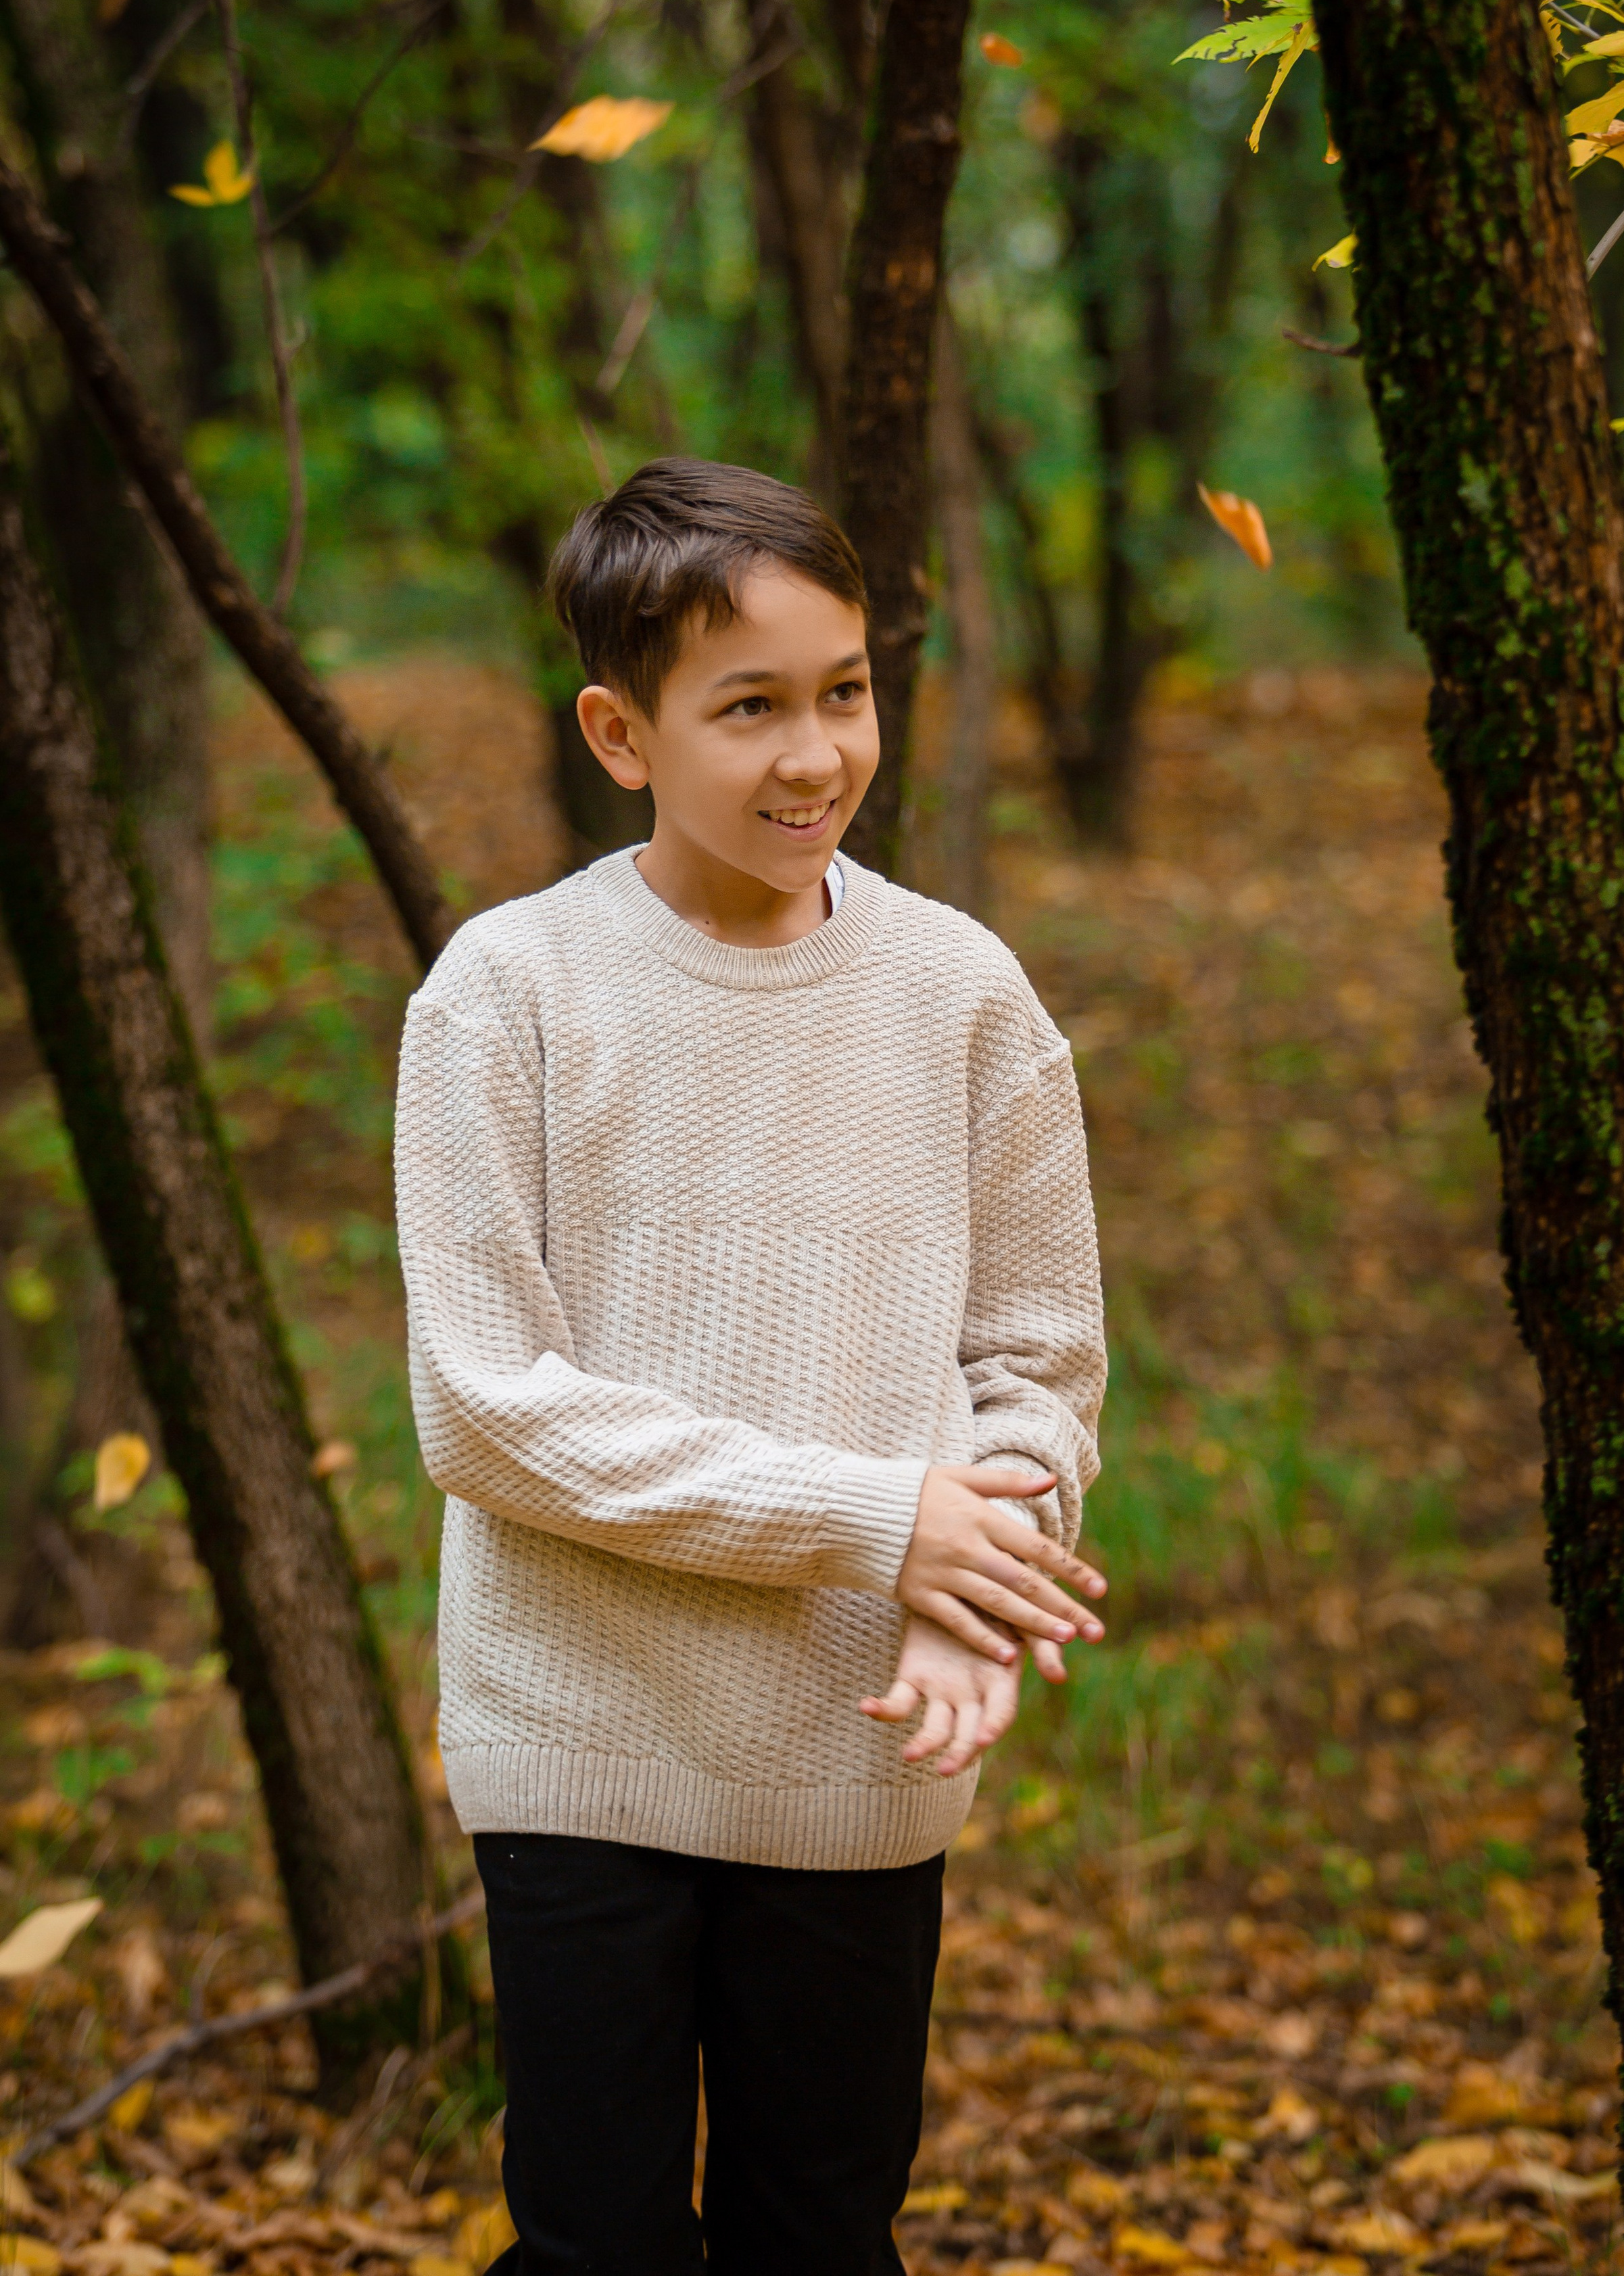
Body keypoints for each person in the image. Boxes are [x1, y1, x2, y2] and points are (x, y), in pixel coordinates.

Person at [394, 458, 1107, 2276]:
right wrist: (884, 1523)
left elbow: (1037, 1363)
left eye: (844, 692)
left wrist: (975, 1582)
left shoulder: (964, 996)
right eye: (750, 709)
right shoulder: (508, 994)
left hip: (857, 1746)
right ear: (620, 734)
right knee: (597, 2243)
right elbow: (487, 1411)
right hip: (580, 1737)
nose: (815, 755)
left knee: (822, 2233)